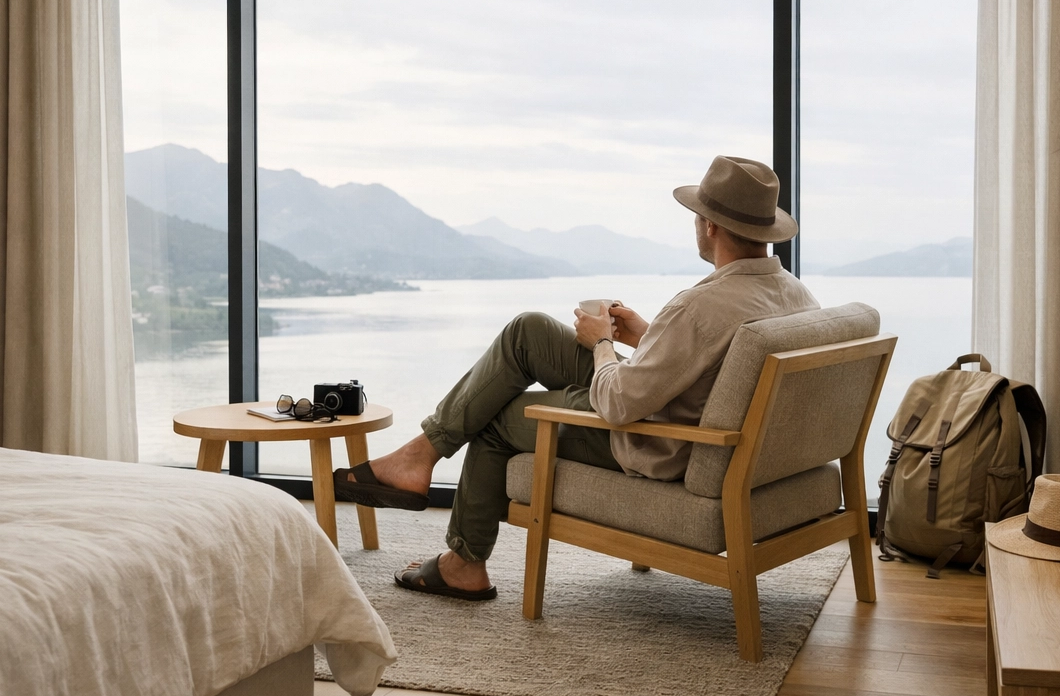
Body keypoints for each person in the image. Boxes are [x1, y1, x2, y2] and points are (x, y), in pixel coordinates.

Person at [332, 155, 818, 599]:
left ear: (709, 224)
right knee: (528, 332)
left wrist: (602, 342)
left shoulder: (699, 306)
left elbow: (618, 404)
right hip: (688, 419)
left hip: (654, 440)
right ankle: (422, 454)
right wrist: (647, 336)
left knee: (496, 417)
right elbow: (717, 365)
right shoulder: (798, 297)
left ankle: (463, 562)